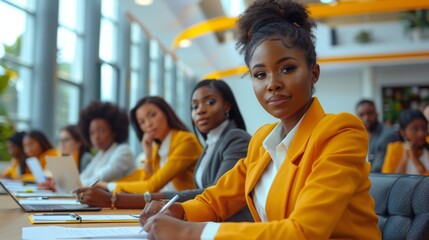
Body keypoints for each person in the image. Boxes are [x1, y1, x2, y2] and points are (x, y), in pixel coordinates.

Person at [139, 1, 381, 239]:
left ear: (313, 73)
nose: (272, 84)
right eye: (260, 74)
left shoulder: (340, 132)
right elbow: (217, 199)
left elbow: (305, 231)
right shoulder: (262, 141)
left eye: (287, 69)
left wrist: (192, 231)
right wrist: (178, 210)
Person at [76, 81, 252, 221]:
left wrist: (112, 196)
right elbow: (149, 181)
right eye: (194, 106)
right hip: (189, 213)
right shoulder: (210, 142)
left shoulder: (223, 138)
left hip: (221, 223)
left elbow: (213, 194)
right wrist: (147, 152)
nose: (201, 110)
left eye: (210, 102)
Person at [81, 96, 202, 200]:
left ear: (166, 113)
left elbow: (151, 186)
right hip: (164, 202)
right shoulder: (157, 147)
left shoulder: (186, 141)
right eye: (142, 122)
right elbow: (147, 184)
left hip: (185, 204)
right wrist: (148, 152)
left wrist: (108, 186)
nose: (148, 124)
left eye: (153, 115)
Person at [78, 101, 135, 186]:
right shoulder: (101, 154)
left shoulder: (123, 151)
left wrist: (75, 185)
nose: (96, 137)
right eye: (92, 133)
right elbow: (83, 177)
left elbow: (99, 178)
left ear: (114, 131)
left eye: (101, 131)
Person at [355, 99, 399, 172]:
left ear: (377, 113)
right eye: (361, 115)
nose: (366, 118)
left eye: (369, 113)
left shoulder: (388, 135)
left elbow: (377, 170)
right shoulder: (358, 135)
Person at [382, 109, 429, 175]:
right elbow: (388, 179)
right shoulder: (394, 149)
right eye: (415, 129)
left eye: (424, 128)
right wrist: (405, 157)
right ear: (403, 132)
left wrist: (414, 158)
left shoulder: (427, 150)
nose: (421, 133)